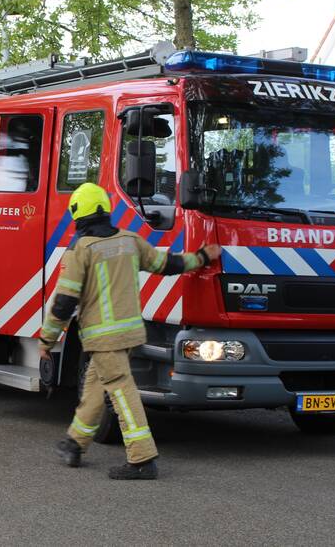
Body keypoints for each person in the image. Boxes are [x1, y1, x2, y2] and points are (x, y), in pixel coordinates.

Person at [39, 183, 221, 480]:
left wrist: (47, 339)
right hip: (129, 333)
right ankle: (75, 443)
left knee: (121, 390)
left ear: (77, 213)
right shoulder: (129, 241)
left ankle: (142, 458)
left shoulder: (80, 250)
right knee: (95, 388)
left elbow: (64, 301)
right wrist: (201, 257)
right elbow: (167, 264)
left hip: (102, 336)